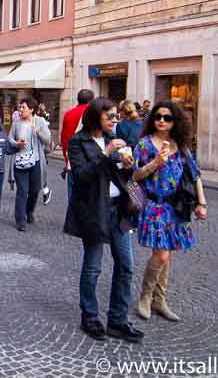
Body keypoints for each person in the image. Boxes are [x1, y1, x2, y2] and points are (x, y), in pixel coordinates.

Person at [64, 97, 143, 343]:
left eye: (116, 116)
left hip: (118, 209)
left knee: (126, 265)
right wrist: (107, 155)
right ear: (96, 116)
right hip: (94, 209)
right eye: (109, 116)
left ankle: (118, 320)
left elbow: (121, 175)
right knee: (93, 266)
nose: (114, 120)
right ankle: (90, 317)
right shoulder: (79, 142)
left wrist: (128, 164)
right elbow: (81, 176)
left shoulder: (113, 140)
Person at [133, 101, 208, 322]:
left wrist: (201, 203)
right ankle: (146, 296)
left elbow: (195, 176)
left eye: (167, 117)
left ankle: (160, 299)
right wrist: (156, 162)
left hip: (176, 207)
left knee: (168, 253)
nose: (161, 121)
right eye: (157, 116)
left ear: (175, 121)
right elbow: (134, 176)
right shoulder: (145, 145)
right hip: (154, 206)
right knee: (162, 253)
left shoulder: (181, 146)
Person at [8, 98, 51, 232]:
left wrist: (38, 132)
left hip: (36, 161)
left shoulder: (40, 121)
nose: (20, 110)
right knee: (22, 191)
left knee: (34, 190)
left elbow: (48, 140)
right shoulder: (16, 123)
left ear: (31, 109)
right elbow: (10, 138)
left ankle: (29, 211)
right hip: (20, 162)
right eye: (19, 107)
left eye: (23, 107)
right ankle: (20, 220)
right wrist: (17, 144)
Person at [60, 89, 95, 203]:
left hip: (72, 158)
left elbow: (64, 138)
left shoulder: (69, 114)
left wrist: (66, 159)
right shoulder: (93, 114)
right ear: (91, 100)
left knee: (72, 193)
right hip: (88, 159)